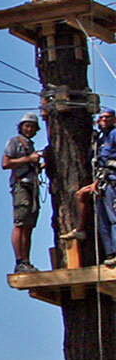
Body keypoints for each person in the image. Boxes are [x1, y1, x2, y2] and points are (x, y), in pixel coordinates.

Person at [69, 108, 116, 264]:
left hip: (112, 181)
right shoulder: (99, 140)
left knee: (113, 218)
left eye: (107, 117)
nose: (104, 120)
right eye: (101, 117)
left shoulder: (114, 135)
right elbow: (93, 160)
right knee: (102, 221)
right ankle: (110, 253)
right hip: (101, 183)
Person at [4, 111, 44, 273]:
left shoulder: (31, 145)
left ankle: (26, 261)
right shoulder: (14, 142)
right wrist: (29, 159)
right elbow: (5, 163)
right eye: (27, 126)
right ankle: (20, 261)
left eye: (33, 127)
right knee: (20, 224)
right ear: (21, 127)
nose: (30, 129)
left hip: (31, 186)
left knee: (28, 226)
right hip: (21, 186)